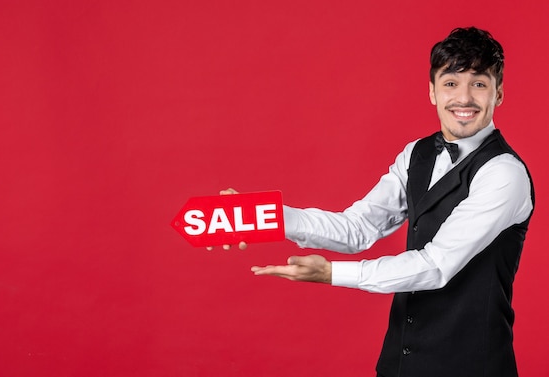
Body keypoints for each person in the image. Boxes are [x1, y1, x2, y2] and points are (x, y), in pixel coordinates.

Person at [220, 27, 535, 377]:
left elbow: (435, 265)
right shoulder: (416, 154)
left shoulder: (504, 173)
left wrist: (330, 274)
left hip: (472, 366)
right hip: (399, 363)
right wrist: (263, 217)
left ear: (499, 93)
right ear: (432, 92)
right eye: (450, 83)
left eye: (478, 83)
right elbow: (358, 227)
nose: (463, 98)